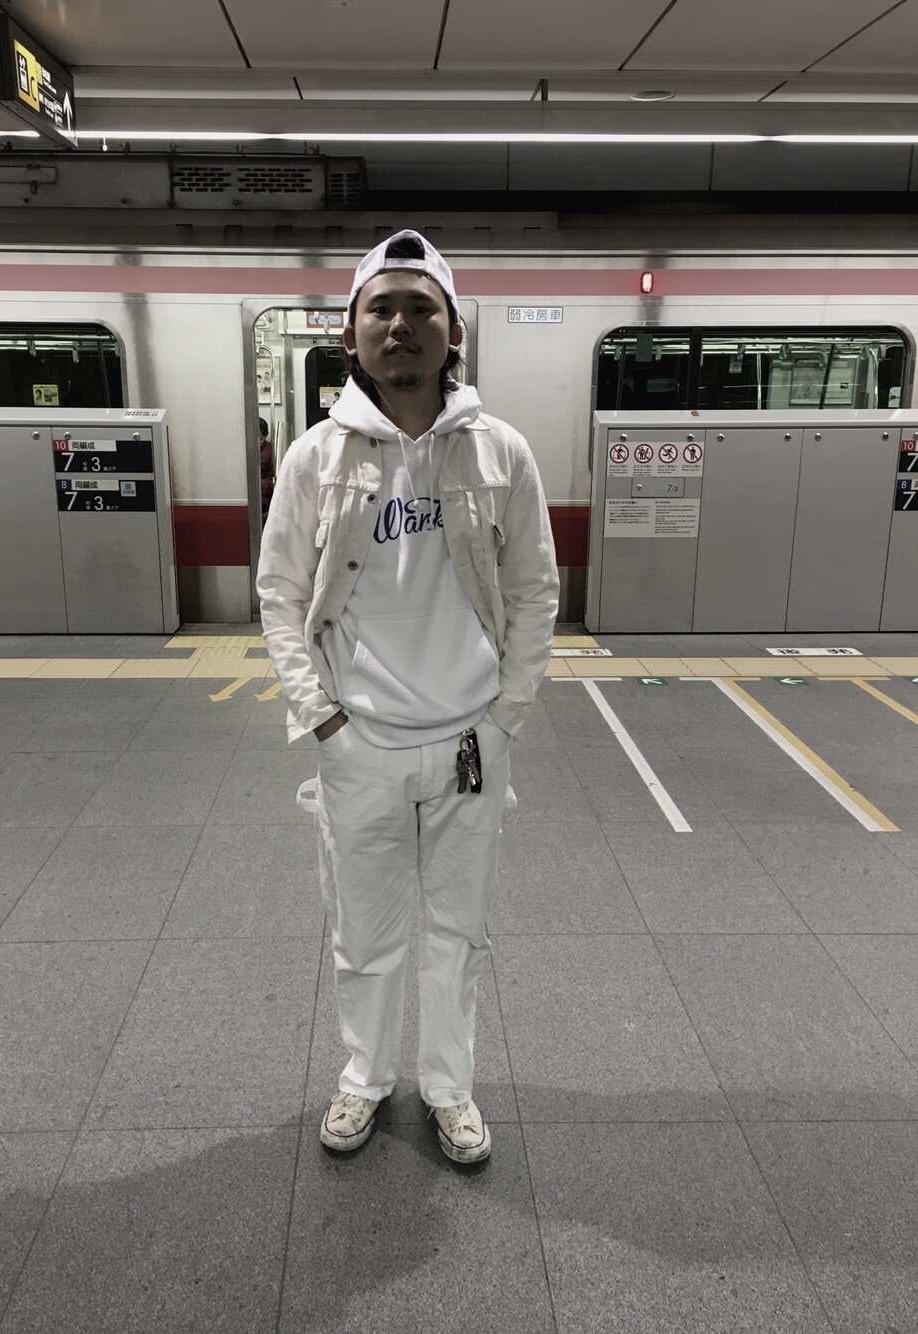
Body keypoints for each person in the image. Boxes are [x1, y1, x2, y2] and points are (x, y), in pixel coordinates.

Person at [257, 230, 558, 1165]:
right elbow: (279, 594)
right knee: (365, 930)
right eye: (380, 308)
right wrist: (322, 718)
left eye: (421, 308)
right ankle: (364, 1077)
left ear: (452, 330)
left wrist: (504, 717)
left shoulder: (502, 452)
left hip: (470, 739)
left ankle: (449, 1089)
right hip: (361, 743)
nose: (400, 325)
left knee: (457, 933)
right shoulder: (315, 457)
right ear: (350, 333)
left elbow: (534, 592)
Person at [259, 417, 275, 523]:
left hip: (263, 498)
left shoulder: (270, 451)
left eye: (259, 439)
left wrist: (259, 485)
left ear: (266, 435)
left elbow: (274, 479)